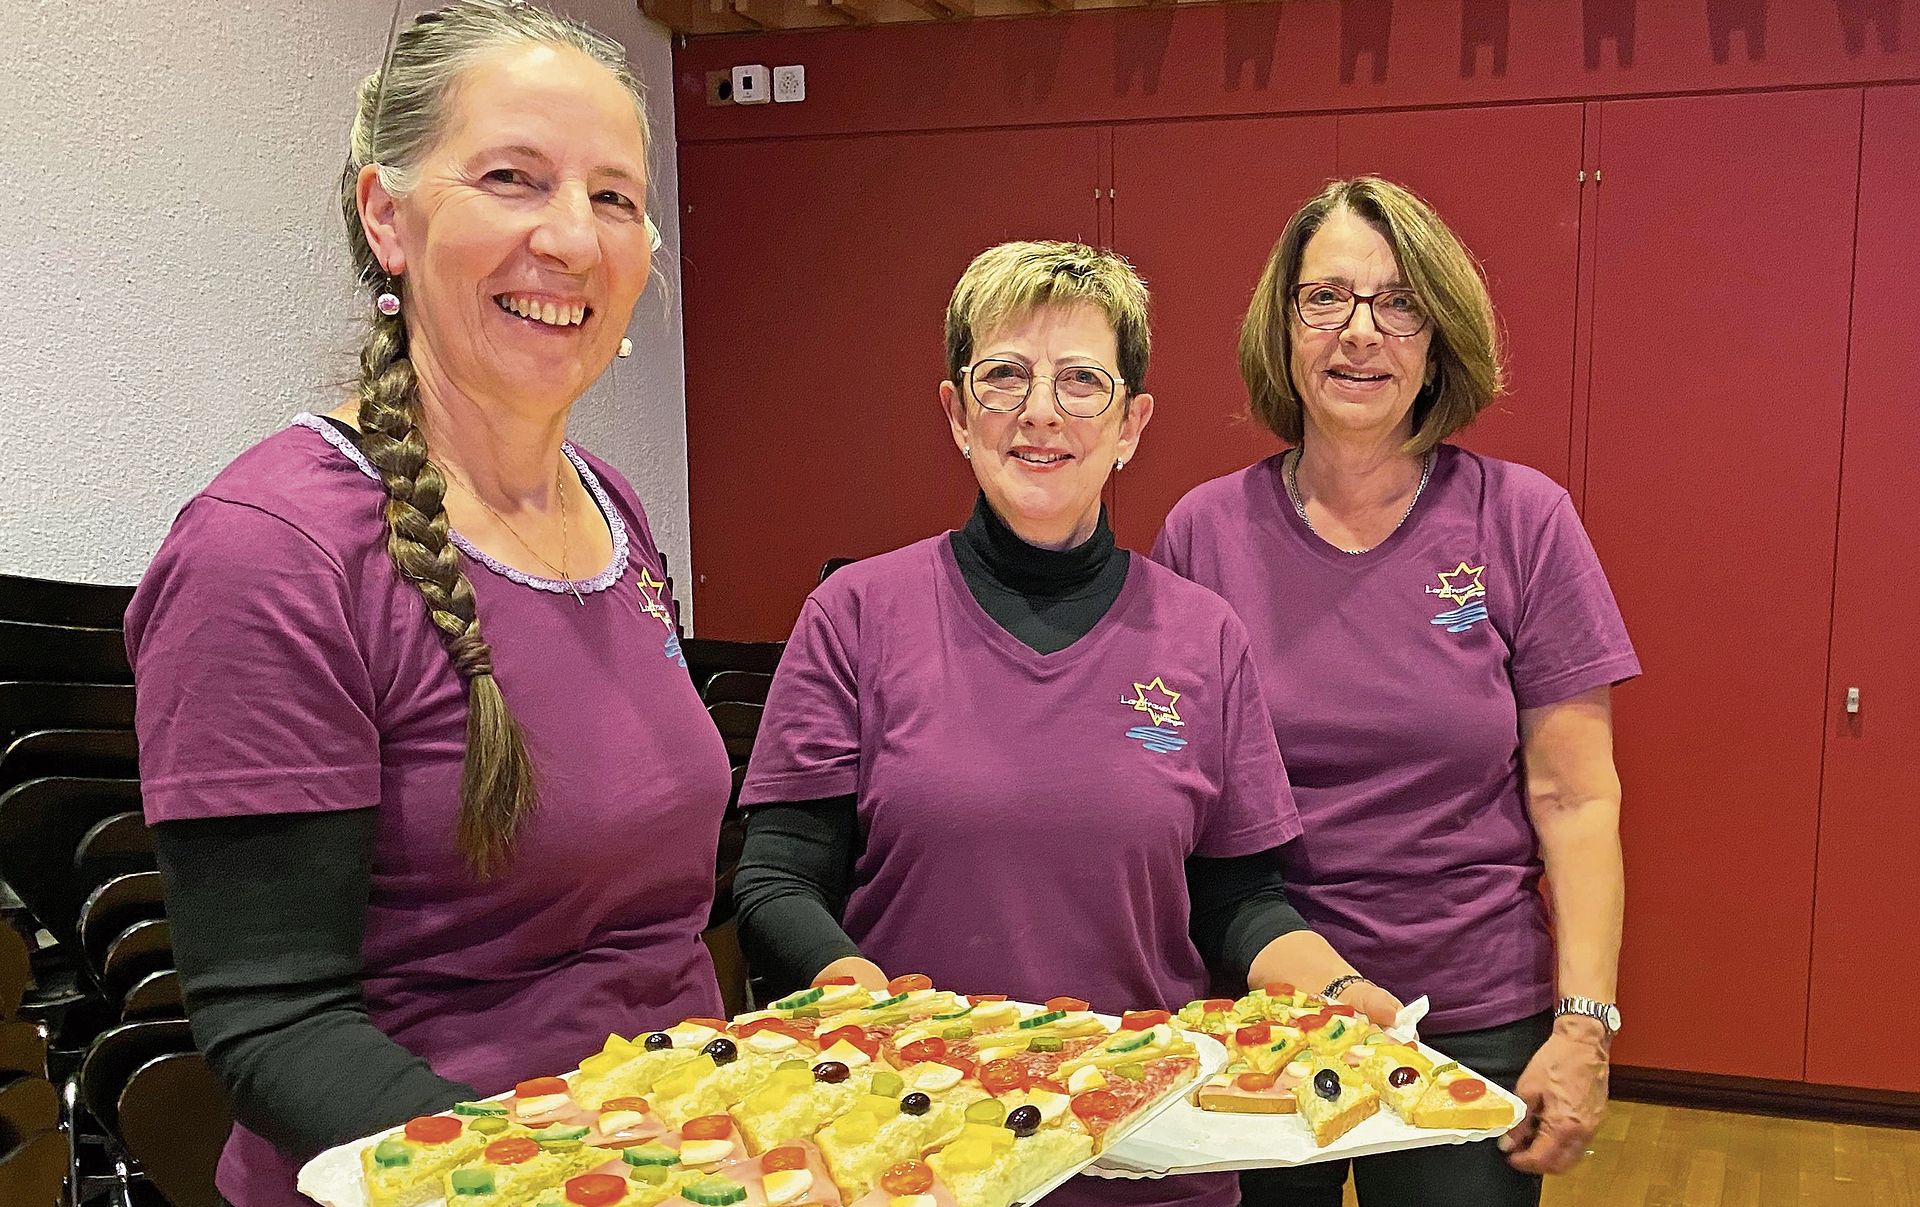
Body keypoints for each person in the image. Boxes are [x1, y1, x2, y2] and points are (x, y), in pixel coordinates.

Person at [123, 5, 730, 1203]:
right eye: (513, 177)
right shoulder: (271, 552)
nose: (571, 237)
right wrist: (569, 1182)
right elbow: (276, 1024)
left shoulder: (613, 509)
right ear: (385, 216)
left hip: (685, 1152)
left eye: (614, 198)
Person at [733, 240, 1399, 1207]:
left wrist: (1341, 993)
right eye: (1004, 376)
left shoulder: (1203, 635)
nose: (1040, 411)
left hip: (1149, 1154)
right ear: (958, 412)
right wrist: (884, 1014)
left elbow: (1237, 899)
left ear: (1131, 424)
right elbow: (777, 880)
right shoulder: (856, 614)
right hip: (914, 1153)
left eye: (1081, 381)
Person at [1152, 176, 1638, 1207]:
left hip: (1470, 1015)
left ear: (1439, 333)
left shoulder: (1521, 519)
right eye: (1326, 298)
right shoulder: (1204, 532)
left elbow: (1577, 796)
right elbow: (1172, 802)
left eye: (1398, 302)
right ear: (1283, 328)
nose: (1360, 333)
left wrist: (1583, 1022)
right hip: (1266, 1016)